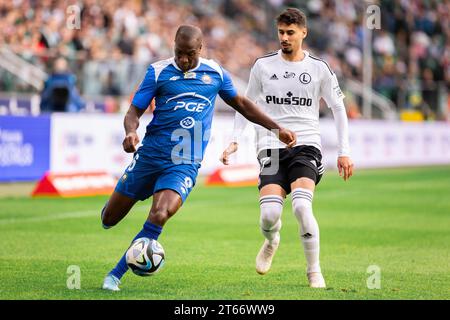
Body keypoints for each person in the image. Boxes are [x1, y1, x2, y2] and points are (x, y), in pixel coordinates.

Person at [101, 25, 297, 291]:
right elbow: (133, 111)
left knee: (160, 214)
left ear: (200, 49)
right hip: (149, 157)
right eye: (179, 53)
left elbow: (242, 104)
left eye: (189, 54)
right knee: (109, 220)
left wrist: (276, 127)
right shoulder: (158, 71)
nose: (183, 60)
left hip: (183, 163)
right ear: (173, 47)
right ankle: (126, 205)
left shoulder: (214, 73)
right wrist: (131, 131)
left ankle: (115, 275)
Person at [220, 8, 354, 288]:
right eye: (281, 32)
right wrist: (235, 139)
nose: (284, 37)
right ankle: (272, 240)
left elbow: (338, 107)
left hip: (306, 145)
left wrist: (344, 151)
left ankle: (313, 270)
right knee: (269, 216)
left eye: (290, 32)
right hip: (269, 147)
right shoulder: (263, 66)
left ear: (303, 33)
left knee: (302, 208)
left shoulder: (318, 68)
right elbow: (245, 105)